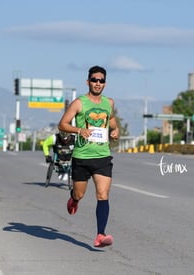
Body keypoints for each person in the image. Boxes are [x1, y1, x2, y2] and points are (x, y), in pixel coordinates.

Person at [58, 65, 120, 247]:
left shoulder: (109, 103)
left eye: (101, 80)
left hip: (102, 156)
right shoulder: (79, 103)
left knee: (103, 194)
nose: (97, 83)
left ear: (105, 83)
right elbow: (62, 124)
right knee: (80, 193)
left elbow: (112, 122)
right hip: (82, 157)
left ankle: (100, 234)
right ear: (88, 82)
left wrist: (115, 131)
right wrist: (79, 130)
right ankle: (74, 199)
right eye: (94, 80)